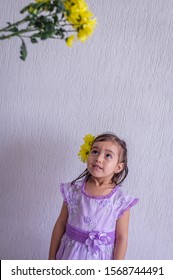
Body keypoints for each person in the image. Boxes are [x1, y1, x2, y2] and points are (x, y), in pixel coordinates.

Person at [48, 132, 139, 260]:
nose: (99, 158)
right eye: (95, 152)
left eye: (108, 155)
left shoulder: (120, 200)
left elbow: (121, 237)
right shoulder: (74, 190)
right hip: (70, 255)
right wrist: (51, 258)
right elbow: (60, 224)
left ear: (118, 167)